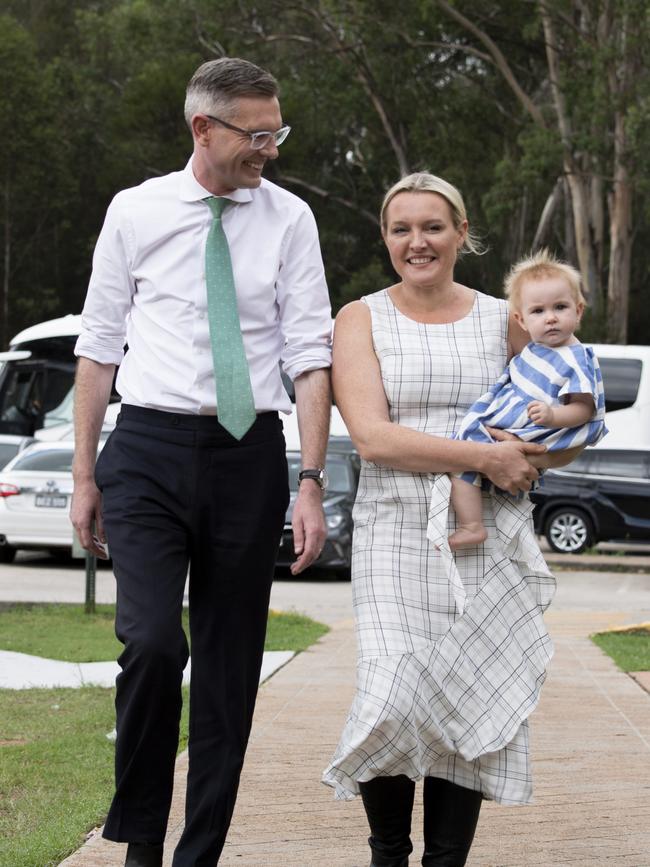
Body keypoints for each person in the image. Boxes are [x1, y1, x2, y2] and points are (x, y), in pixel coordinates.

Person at [70, 57, 332, 867]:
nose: (270, 150)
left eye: (275, 131)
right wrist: (85, 473)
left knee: (229, 667)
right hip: (144, 446)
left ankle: (199, 853)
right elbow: (97, 346)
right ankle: (142, 838)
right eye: (257, 135)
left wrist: (311, 480)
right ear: (203, 128)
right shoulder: (136, 209)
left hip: (246, 453)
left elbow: (310, 353)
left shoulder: (289, 220)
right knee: (152, 642)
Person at [322, 173, 577, 867]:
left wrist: (531, 453)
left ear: (461, 233)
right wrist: (483, 455)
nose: (417, 241)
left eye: (432, 226)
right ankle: (387, 853)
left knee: (467, 697)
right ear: (385, 238)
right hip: (393, 526)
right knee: (392, 690)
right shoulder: (360, 318)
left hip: (485, 533)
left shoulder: (506, 319)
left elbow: (548, 429)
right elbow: (373, 436)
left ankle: (445, 862)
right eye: (400, 228)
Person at [447, 249, 607, 550]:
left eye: (560, 307)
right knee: (466, 452)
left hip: (536, 424)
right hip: (514, 414)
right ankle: (474, 522)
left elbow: (585, 410)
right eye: (538, 311)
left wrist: (552, 415)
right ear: (521, 319)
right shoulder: (534, 348)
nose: (550, 318)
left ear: (579, 311)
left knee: (466, 453)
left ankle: (471, 525)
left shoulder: (576, 358)